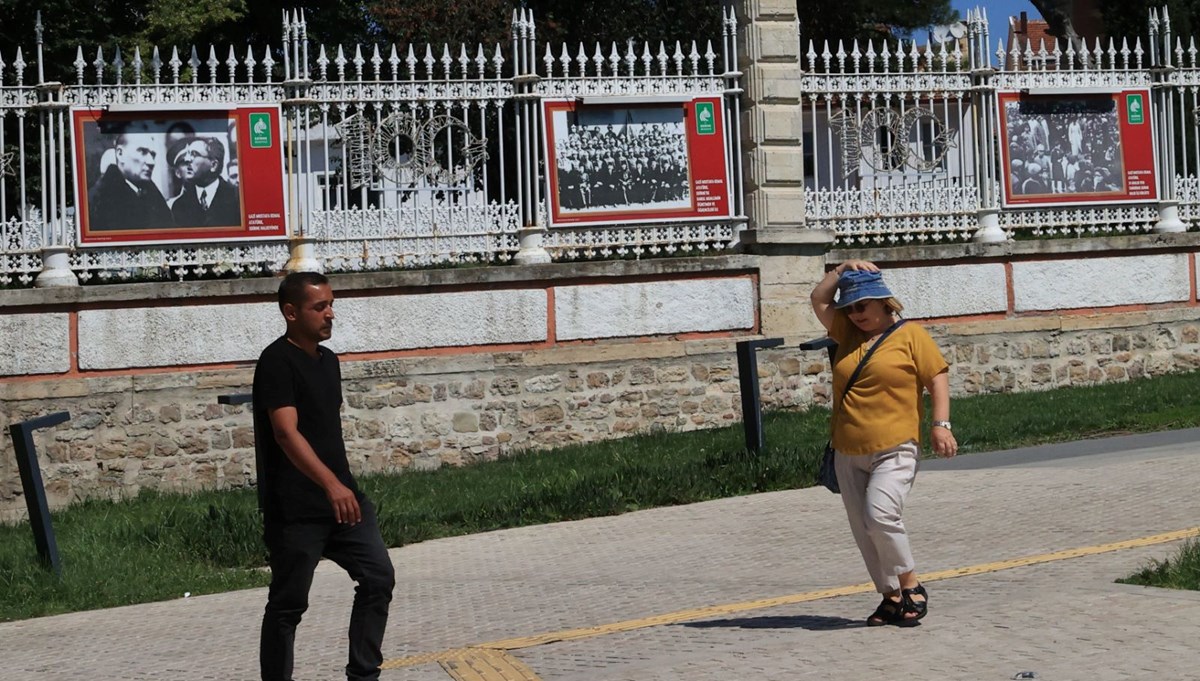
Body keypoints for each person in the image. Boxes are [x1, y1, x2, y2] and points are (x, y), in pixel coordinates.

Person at [253, 272, 396, 681]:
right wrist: (330, 485)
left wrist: (341, 486)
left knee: (378, 577)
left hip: (344, 502)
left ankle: (363, 674)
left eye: (332, 304)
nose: (330, 314)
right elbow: (285, 432)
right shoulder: (276, 362)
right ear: (291, 312)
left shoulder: (328, 360)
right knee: (288, 605)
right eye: (320, 307)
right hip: (297, 509)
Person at [810, 260, 957, 627]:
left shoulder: (911, 336)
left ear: (883, 302)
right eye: (850, 307)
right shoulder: (846, 331)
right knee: (863, 529)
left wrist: (941, 424)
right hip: (848, 449)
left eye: (863, 305)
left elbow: (936, 379)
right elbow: (818, 298)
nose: (856, 313)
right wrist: (841, 270)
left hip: (896, 445)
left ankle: (910, 582)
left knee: (880, 514)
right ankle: (890, 597)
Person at [86, 129, 174, 230]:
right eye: (142, 151)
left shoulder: (154, 196)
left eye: (153, 155)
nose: (151, 162)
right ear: (120, 154)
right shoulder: (99, 199)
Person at [170, 136, 241, 227]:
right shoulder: (179, 206)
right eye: (188, 154)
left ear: (214, 165)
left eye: (194, 154)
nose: (187, 159)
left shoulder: (237, 197)